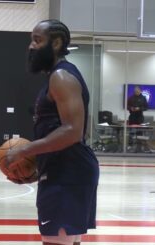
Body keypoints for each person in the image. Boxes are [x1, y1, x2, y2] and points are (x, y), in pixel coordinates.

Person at [6, 19, 99, 245]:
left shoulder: (61, 77)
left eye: (37, 40)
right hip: (68, 170)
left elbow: (72, 131)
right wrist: (39, 162)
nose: (31, 46)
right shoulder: (56, 76)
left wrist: (26, 149)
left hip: (68, 174)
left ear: (56, 43)